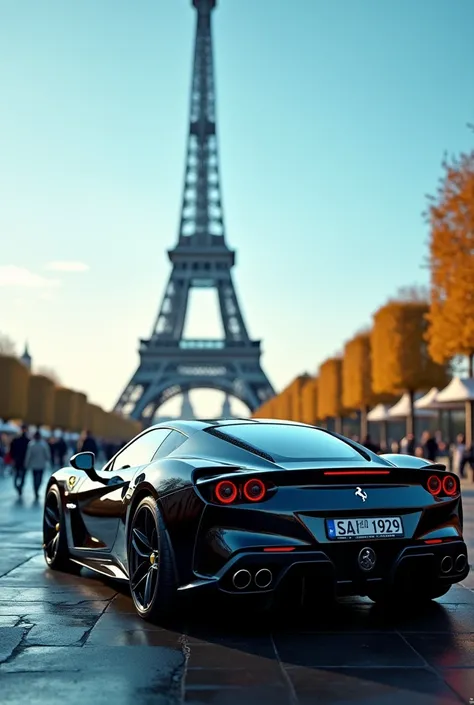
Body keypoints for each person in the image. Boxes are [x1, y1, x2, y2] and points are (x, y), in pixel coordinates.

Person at [24, 430, 52, 501]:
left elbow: (28, 455)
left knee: (34, 478)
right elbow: (47, 455)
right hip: (41, 465)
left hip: (34, 465)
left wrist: (26, 463)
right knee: (40, 478)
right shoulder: (44, 445)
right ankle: (37, 488)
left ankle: (35, 489)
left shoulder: (31, 444)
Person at [9, 425, 30, 497]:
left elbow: (11, 450)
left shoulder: (16, 440)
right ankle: (20, 486)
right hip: (23, 461)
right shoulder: (28, 441)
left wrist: (13, 458)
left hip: (17, 460)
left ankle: (18, 486)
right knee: (23, 475)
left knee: (16, 475)